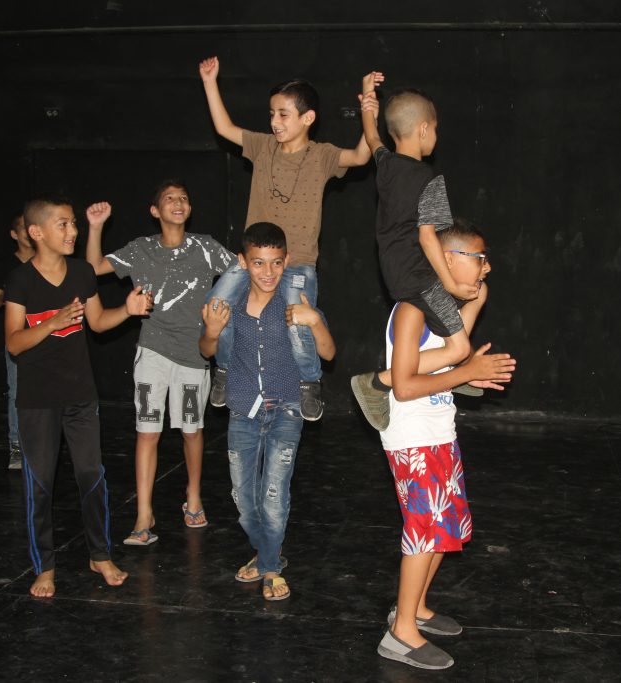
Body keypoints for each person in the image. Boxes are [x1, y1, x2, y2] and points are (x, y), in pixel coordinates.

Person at [376, 220, 516, 669]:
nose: (486, 267)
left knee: (444, 528)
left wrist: (470, 370)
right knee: (423, 531)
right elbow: (403, 386)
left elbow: (456, 358)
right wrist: (468, 371)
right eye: (479, 259)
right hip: (411, 434)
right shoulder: (411, 310)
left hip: (439, 428)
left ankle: (414, 607)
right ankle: (400, 634)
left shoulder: (443, 309)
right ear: (448, 258)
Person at [198, 55, 370, 421]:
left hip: (298, 261)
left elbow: (360, 155)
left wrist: (369, 110)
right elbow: (225, 128)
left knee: (296, 321)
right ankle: (225, 368)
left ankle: (309, 381)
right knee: (217, 304)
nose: (274, 121)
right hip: (253, 258)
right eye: (272, 114)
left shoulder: (322, 156)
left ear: (307, 118)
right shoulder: (262, 147)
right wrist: (210, 82)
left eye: (283, 114)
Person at [4, 193, 152, 598]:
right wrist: (51, 323)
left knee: (91, 476)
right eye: (64, 224)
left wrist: (128, 309)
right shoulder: (21, 280)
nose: (73, 231)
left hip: (81, 396)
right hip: (37, 401)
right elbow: (14, 343)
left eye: (73, 223)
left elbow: (99, 322)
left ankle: (99, 555)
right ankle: (45, 567)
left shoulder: (82, 272)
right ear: (37, 233)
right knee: (41, 485)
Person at [83, 181, 236, 544]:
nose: (178, 202)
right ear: (155, 211)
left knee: (191, 430)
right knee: (147, 431)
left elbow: (242, 272)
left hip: (194, 356)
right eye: (170, 198)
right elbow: (92, 267)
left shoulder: (206, 247)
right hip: (152, 353)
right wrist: (96, 227)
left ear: (190, 208)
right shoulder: (140, 249)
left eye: (184, 198)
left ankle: (193, 496)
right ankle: (143, 513)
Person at [199, 222, 335, 602]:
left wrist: (315, 321)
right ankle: (266, 553)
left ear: (287, 260)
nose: (268, 272)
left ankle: (271, 567)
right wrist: (212, 331)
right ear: (243, 262)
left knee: (273, 497)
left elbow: (328, 353)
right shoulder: (232, 304)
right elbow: (206, 349)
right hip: (243, 410)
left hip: (287, 411)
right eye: (258, 262)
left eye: (276, 262)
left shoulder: (295, 303)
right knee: (244, 502)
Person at [351, 72, 483, 433]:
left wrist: (367, 99)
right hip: (421, 275)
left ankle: (452, 371)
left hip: (394, 273)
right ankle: (377, 383)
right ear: (424, 129)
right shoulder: (429, 179)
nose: (436, 136)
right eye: (436, 129)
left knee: (463, 322)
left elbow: (372, 136)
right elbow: (428, 238)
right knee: (460, 347)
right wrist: (450, 284)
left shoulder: (385, 164)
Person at [0, 211, 35, 470]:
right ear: (14, 234)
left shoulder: (47, 259)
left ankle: (43, 446)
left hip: (47, 335)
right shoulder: (9, 265)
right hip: (18, 336)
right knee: (17, 391)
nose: (28, 230)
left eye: (30, 225)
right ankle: (16, 446)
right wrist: (8, 299)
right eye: (22, 227)